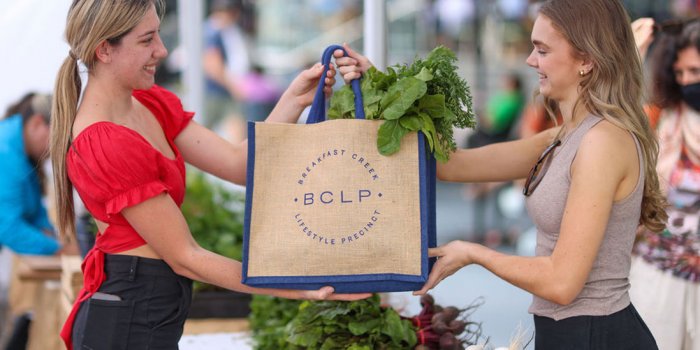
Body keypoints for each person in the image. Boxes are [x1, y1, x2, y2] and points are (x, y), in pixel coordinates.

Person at [338, 0, 668, 348]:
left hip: (596, 335)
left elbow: (562, 282)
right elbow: (451, 165)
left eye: (542, 50)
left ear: (586, 60)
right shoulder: (562, 137)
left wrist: (474, 253)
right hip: (570, 331)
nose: (530, 60)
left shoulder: (602, 141)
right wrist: (381, 86)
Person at [50, 1, 368, 349]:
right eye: (147, 40)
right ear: (104, 50)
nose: (162, 50)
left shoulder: (148, 101)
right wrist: (299, 286)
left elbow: (237, 164)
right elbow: (186, 257)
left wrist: (294, 99)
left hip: (146, 311)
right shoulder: (105, 141)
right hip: (126, 323)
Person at [628, 17, 700, 350]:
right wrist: (634, 54)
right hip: (659, 274)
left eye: (695, 73)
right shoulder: (663, 118)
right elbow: (619, 115)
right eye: (680, 73)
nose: (687, 82)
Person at [0, 93, 63, 255]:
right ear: (37, 123)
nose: (57, 148)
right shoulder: (5, 153)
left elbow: (34, 212)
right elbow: (7, 227)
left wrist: (50, 234)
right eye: (57, 139)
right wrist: (59, 249)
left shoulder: (23, 154)